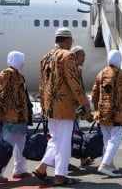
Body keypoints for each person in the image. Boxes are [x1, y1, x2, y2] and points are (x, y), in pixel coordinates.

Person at [33, 27, 89, 186]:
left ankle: (42, 168)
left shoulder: (46, 57)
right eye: (71, 41)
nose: (71, 44)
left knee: (56, 140)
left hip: (50, 106)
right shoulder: (67, 55)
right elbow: (74, 81)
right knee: (63, 142)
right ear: (67, 40)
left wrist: (44, 105)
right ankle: (60, 176)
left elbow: (42, 84)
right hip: (64, 107)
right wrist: (84, 102)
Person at [0, 51, 31, 183]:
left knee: (21, 146)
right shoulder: (6, 74)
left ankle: (20, 170)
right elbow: (2, 95)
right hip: (9, 116)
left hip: (21, 117)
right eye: (21, 59)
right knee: (5, 145)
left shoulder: (20, 76)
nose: (23, 62)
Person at [91, 49, 122, 177]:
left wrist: (97, 108)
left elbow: (94, 93)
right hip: (118, 113)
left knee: (106, 140)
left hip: (103, 112)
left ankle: (110, 164)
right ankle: (104, 164)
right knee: (115, 140)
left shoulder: (101, 73)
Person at [68, 45, 94, 170]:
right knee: (70, 135)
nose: (84, 58)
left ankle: (83, 159)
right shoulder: (71, 70)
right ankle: (65, 162)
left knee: (76, 133)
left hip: (77, 107)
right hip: (72, 108)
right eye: (82, 55)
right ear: (75, 56)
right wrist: (85, 106)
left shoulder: (78, 69)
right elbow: (76, 91)